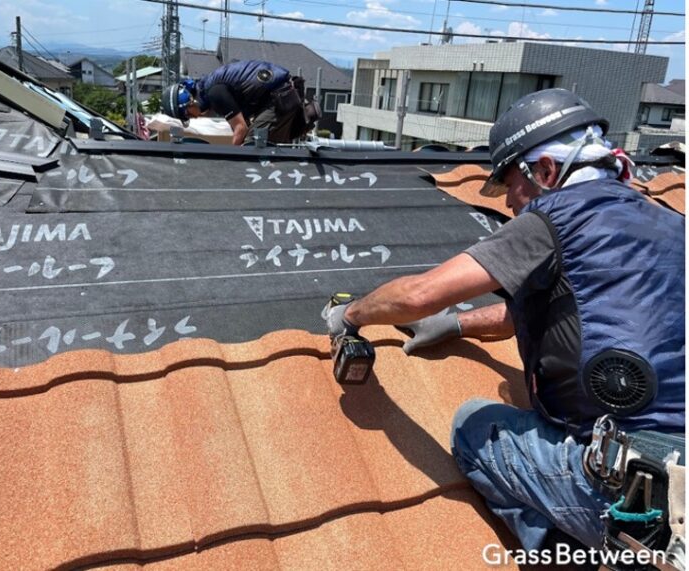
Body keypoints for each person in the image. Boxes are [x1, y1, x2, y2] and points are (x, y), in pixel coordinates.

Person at [324, 88, 685, 553]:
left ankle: (556, 543)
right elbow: (548, 313)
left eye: (512, 183)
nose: (511, 201)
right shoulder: (669, 223)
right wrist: (454, 326)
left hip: (638, 498)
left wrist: (350, 313)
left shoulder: (556, 217)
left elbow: (417, 295)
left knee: (475, 424)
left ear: (547, 171)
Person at [161, 60, 313, 145]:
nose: (192, 118)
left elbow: (240, 128)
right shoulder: (210, 91)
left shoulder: (214, 93)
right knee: (266, 145)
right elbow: (241, 125)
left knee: (254, 143)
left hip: (280, 96)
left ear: (188, 103)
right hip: (281, 95)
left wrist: (231, 161)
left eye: (187, 115)